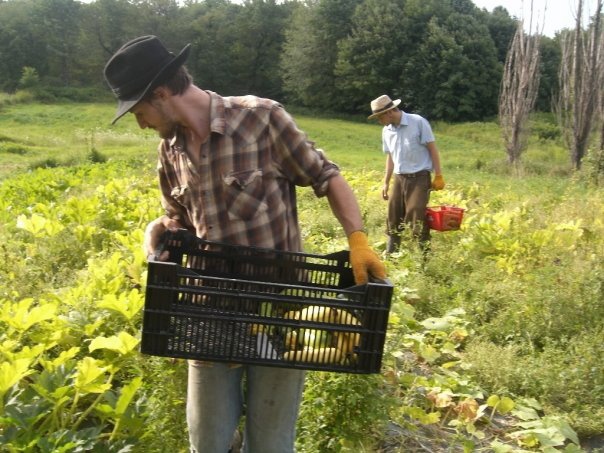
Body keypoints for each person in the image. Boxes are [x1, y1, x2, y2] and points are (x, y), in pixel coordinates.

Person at [103, 35, 386, 453]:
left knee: (271, 442)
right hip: (210, 312)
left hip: (281, 310)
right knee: (208, 441)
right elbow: (177, 219)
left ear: (161, 94)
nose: (140, 122)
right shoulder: (170, 151)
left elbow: (328, 177)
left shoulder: (261, 119)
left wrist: (357, 239)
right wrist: (156, 230)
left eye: (139, 111)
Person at [368, 95, 445, 254]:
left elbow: (433, 149)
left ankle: (424, 258)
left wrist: (438, 175)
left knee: (417, 214)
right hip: (399, 177)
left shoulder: (418, 122)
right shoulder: (386, 131)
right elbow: (390, 157)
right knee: (394, 216)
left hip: (419, 177)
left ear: (388, 112)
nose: (379, 121)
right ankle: (391, 255)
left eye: (379, 117)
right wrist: (386, 182)